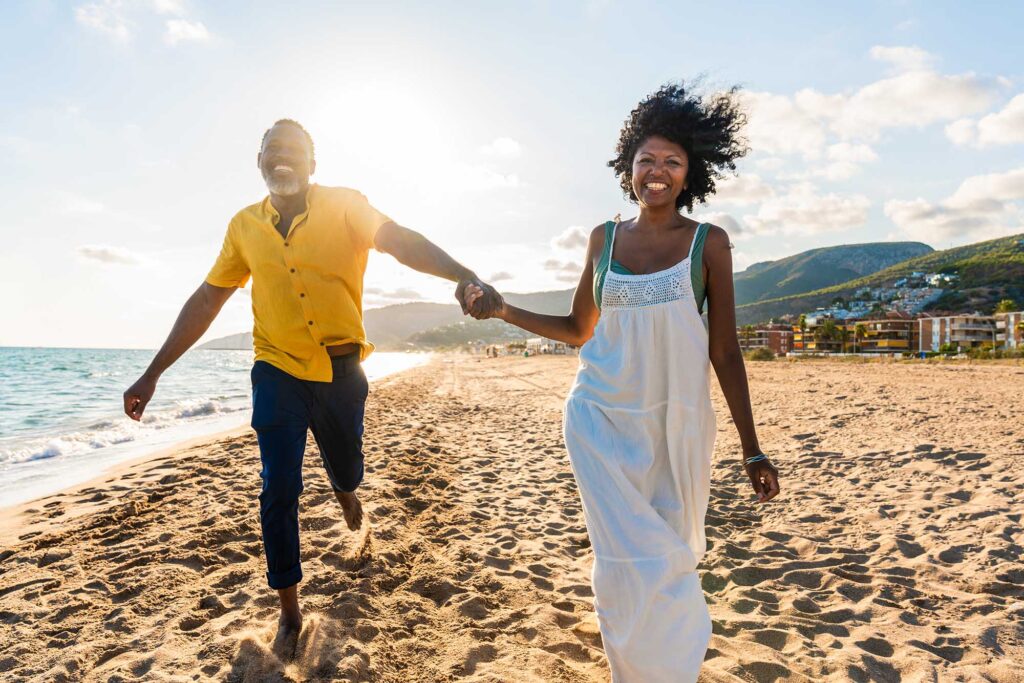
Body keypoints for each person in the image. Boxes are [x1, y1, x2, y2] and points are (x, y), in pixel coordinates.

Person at [122, 118, 501, 657]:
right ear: (258, 162)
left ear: (313, 163)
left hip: (343, 371)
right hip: (276, 370)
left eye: (294, 150)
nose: (282, 157)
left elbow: (399, 241)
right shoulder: (243, 226)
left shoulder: (346, 205)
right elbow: (208, 299)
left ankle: (345, 489)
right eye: (271, 149)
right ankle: (290, 612)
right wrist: (153, 372)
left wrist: (465, 275)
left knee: (346, 467)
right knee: (278, 486)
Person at [465, 83, 781, 682]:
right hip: (599, 421)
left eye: (671, 162)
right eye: (645, 160)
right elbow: (579, 329)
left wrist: (752, 447)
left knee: (672, 557)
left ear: (691, 173)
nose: (656, 172)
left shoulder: (708, 244)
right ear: (626, 168)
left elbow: (725, 350)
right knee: (621, 562)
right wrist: (503, 309)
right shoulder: (602, 240)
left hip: (676, 427)